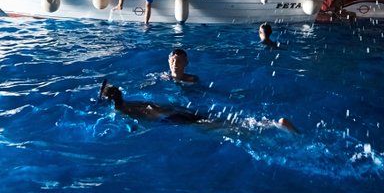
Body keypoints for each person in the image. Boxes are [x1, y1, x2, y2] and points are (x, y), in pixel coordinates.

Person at [99, 81, 297, 131]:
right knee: (219, 121)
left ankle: (273, 125)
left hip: (171, 118)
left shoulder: (121, 110)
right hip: (176, 110)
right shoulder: (132, 102)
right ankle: (270, 123)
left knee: (221, 127)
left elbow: (135, 127)